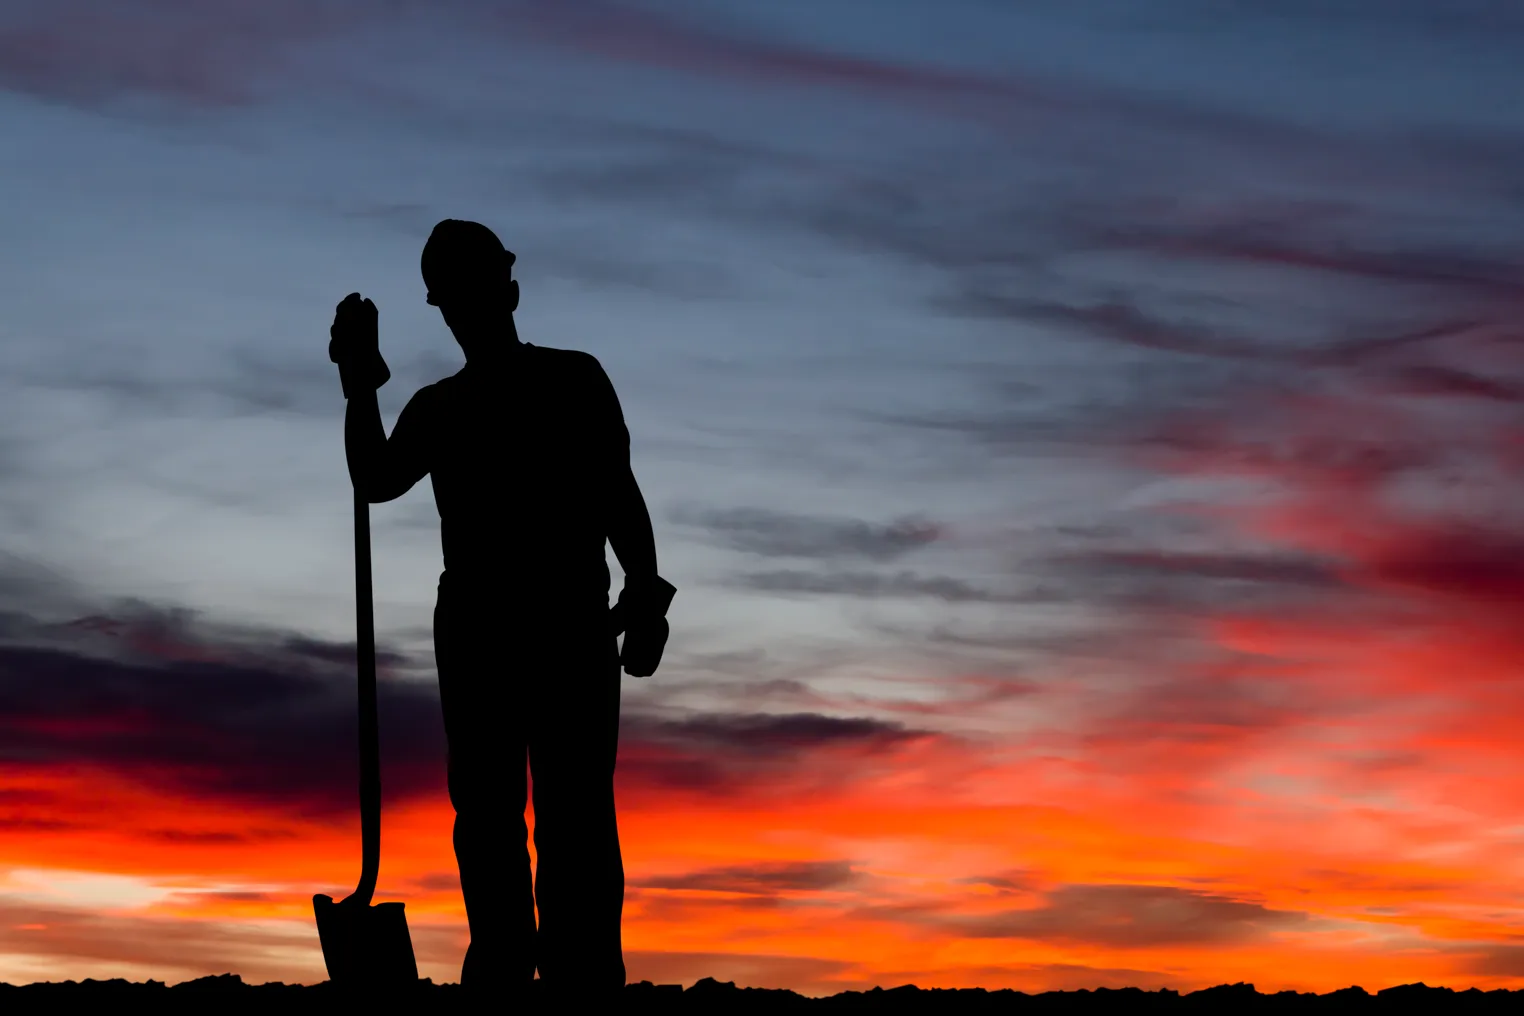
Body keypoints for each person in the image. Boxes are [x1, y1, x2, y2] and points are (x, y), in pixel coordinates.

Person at [327, 218, 676, 1004]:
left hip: (559, 624)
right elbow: (378, 479)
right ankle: (513, 976)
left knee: (566, 813)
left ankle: (572, 978)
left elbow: (616, 491)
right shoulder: (446, 406)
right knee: (502, 813)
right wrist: (360, 385)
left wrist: (646, 593)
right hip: (498, 628)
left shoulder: (568, 381)